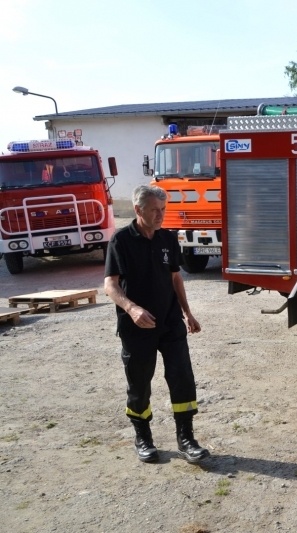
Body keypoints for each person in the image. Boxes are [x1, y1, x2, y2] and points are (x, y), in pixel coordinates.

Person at [104, 184, 210, 464]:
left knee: (182, 378)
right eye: (154, 210)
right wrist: (132, 308)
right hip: (137, 327)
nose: (160, 215)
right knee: (139, 383)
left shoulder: (167, 238)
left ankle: (186, 439)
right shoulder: (121, 241)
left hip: (170, 322)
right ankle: (144, 438)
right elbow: (110, 285)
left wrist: (188, 313)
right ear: (138, 210)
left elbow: (176, 278)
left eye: (163, 210)